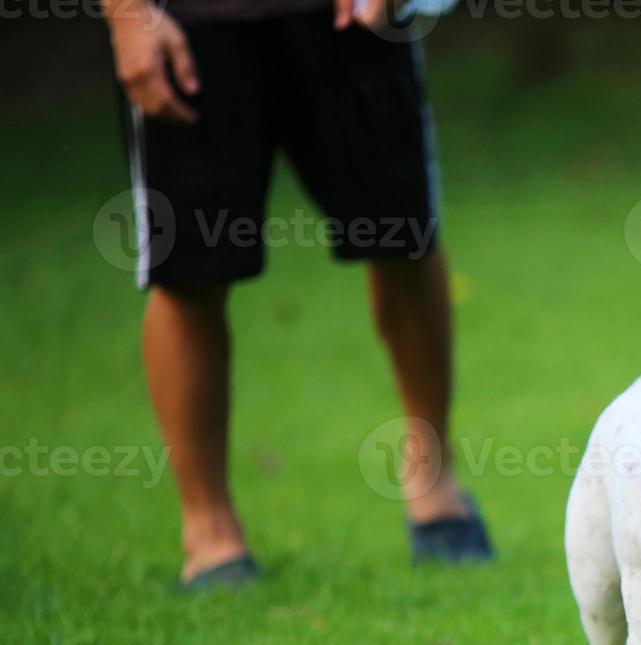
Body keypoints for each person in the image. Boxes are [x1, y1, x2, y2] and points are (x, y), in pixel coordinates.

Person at [103, 0, 490, 589]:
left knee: (404, 238)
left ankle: (433, 482)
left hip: (349, 18)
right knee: (188, 273)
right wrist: (127, 13)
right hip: (190, 25)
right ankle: (209, 531)